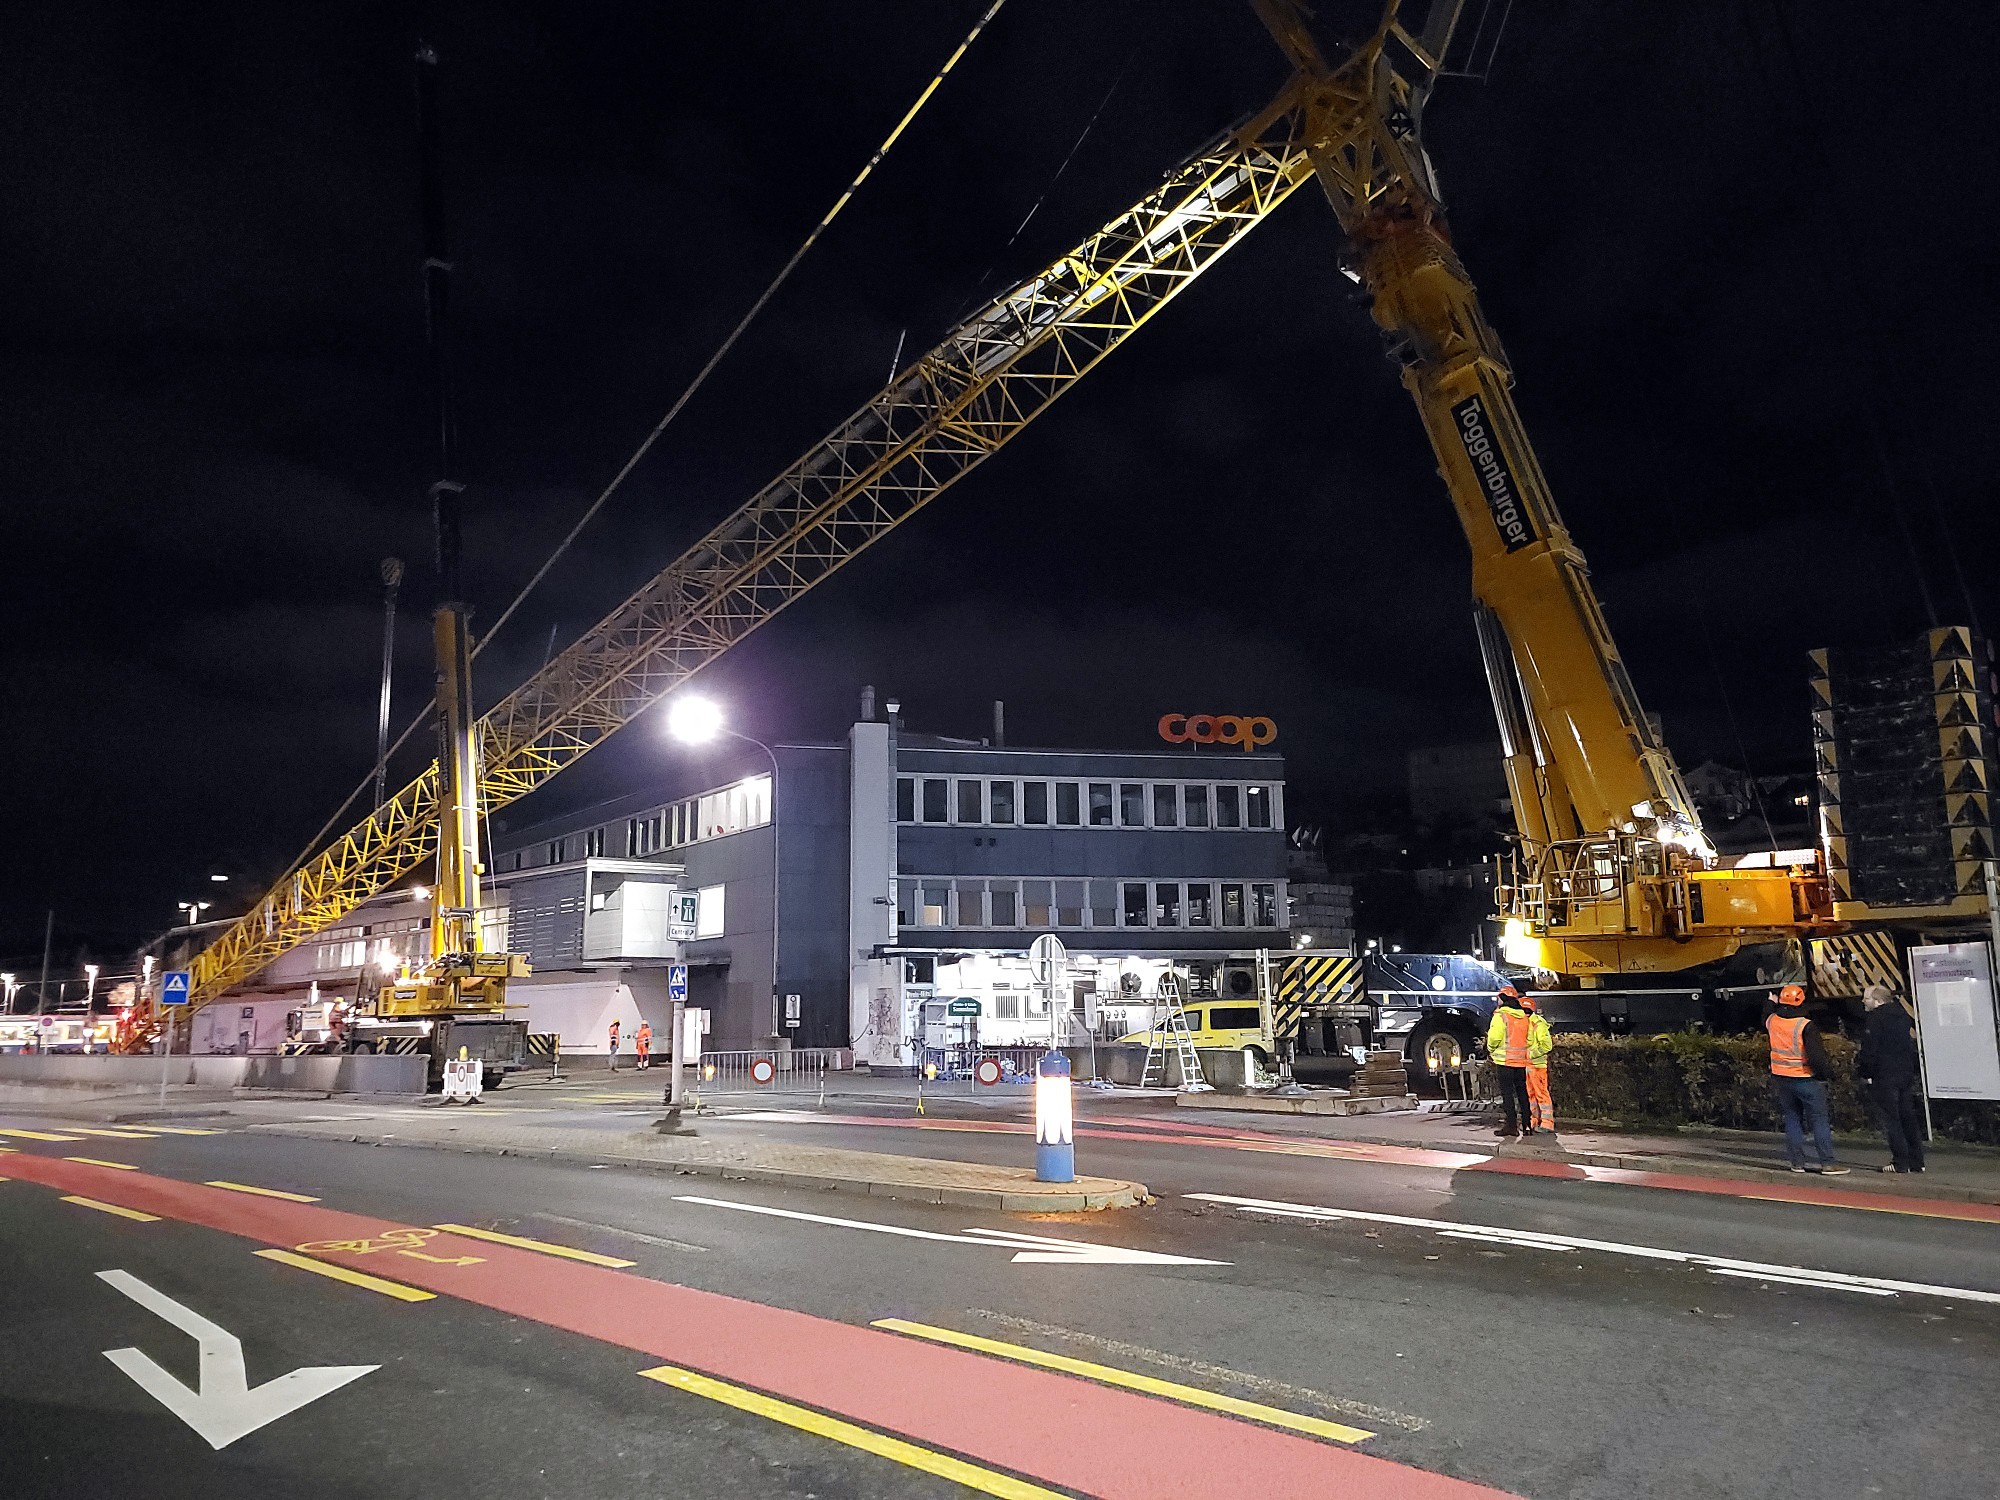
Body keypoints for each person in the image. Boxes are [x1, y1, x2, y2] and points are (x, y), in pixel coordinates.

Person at [1766, 983, 1848, 1174]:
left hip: (1781, 1078)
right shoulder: (1805, 1025)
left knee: (1792, 1118)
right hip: (1805, 1078)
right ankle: (1827, 1163)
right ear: (1802, 1001)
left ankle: (1797, 1162)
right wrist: (1826, 1075)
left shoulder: (1773, 1021)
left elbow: (1766, 1015)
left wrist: (1770, 1003)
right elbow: (1816, 1057)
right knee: (1819, 1120)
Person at [1857, 983, 1925, 1174]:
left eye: (1867, 997)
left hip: (1883, 1074)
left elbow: (1870, 1049)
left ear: (1877, 1001)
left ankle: (1900, 1161)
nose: (1863, 1001)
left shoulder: (1875, 1019)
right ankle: (1916, 1161)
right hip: (1904, 1072)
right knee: (1907, 1116)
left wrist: (1866, 1073)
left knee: (1891, 1119)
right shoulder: (1902, 1015)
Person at [1486, 984, 1535, 1139]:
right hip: (1520, 1062)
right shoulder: (1523, 1017)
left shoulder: (1501, 1016)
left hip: (1505, 1062)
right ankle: (1527, 1126)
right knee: (1522, 1093)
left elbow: (1494, 1038)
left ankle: (1511, 1126)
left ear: (1502, 998)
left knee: (1507, 1095)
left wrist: (1491, 1049)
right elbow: (1529, 1039)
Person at [1522, 993, 1556, 1135]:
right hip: (1528, 1066)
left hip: (1537, 1066)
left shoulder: (1538, 1024)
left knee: (1541, 1095)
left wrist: (1530, 1054)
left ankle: (1547, 1124)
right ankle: (1534, 1122)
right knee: (1531, 1096)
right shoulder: (1526, 1023)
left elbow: (1547, 1046)